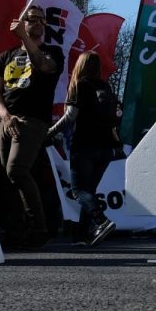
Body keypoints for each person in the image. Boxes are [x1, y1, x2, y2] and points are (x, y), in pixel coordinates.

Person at [0, 5, 63, 250]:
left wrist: (24, 37)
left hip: (33, 120)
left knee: (17, 170)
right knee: (6, 177)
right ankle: (15, 231)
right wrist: (6, 116)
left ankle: (39, 227)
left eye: (43, 20)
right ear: (22, 21)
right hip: (7, 120)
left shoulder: (52, 52)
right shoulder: (5, 56)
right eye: (33, 19)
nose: (40, 23)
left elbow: (43, 66)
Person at [51, 49, 120, 246]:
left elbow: (70, 116)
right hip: (106, 147)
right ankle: (82, 236)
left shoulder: (80, 85)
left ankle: (101, 220)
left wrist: (49, 132)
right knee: (89, 189)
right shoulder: (106, 87)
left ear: (80, 66)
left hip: (84, 144)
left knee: (78, 190)